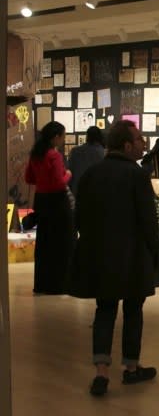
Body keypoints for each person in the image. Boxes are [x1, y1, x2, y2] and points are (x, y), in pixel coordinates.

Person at [69, 120, 159, 397]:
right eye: (139, 139)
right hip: (132, 256)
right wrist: (155, 254)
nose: (144, 143)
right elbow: (148, 222)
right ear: (127, 145)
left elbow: (80, 217)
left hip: (100, 255)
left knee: (104, 309)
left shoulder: (91, 174)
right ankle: (131, 369)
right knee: (133, 310)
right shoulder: (137, 176)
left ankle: (101, 372)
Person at [24, 121, 73, 294]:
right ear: (56, 137)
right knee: (62, 243)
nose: (63, 140)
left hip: (42, 201)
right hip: (58, 203)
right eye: (63, 136)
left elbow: (28, 178)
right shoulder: (54, 155)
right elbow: (60, 183)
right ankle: (60, 284)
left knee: (44, 244)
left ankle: (43, 284)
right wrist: (68, 174)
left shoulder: (36, 154)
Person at [67, 126, 105, 195]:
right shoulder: (103, 153)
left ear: (87, 136)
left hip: (78, 190)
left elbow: (70, 172)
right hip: (97, 191)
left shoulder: (75, 151)